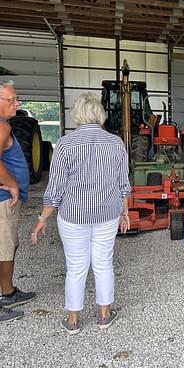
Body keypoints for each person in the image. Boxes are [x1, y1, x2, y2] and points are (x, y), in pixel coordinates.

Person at [30, 93, 131, 334]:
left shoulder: (65, 144)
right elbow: (123, 184)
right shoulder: (116, 143)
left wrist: (42, 218)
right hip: (107, 214)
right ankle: (104, 315)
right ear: (100, 115)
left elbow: (55, 188)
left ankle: (73, 320)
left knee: (75, 267)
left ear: (77, 115)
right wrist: (124, 211)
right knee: (103, 263)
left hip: (73, 216)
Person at [0, 80, 36, 323]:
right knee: (4, 248)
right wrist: (13, 184)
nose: (17, 103)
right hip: (4, 201)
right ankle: (5, 300)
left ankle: (9, 291)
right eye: (11, 100)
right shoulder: (1, 128)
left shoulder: (5, 125)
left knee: (8, 246)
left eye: (16, 99)